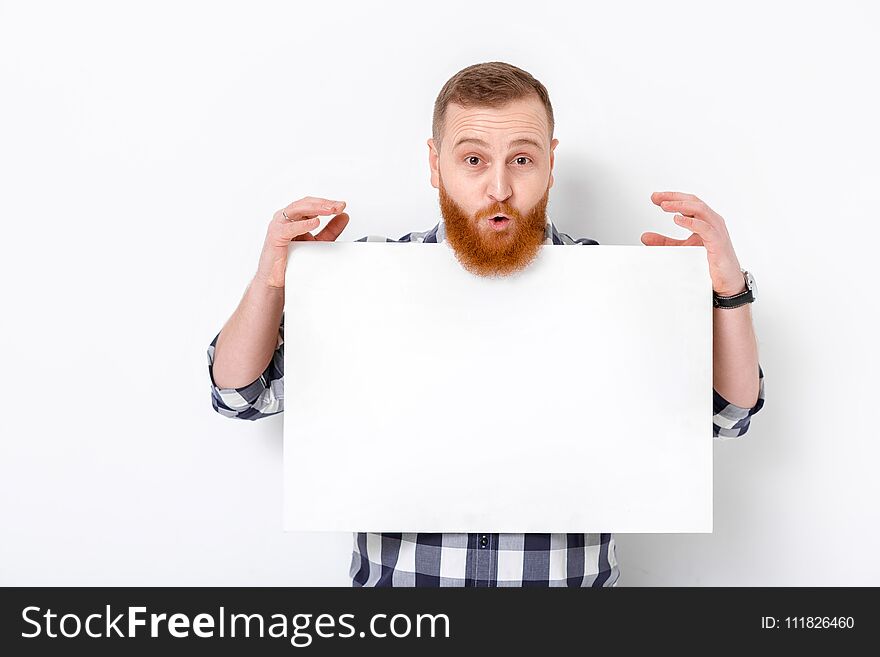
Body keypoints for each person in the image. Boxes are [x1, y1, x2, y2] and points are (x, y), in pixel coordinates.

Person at [206, 61, 766, 587]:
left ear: (550, 161)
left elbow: (729, 414)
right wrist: (270, 283)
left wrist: (727, 292)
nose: (498, 187)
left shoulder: (619, 287)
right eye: (473, 159)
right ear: (435, 163)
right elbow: (240, 395)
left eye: (521, 159)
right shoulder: (361, 281)